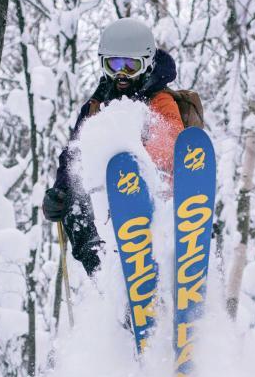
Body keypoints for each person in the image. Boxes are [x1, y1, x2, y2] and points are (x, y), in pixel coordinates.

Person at [42, 17, 184, 276]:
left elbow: (170, 142)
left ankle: (151, 267)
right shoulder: (97, 105)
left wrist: (132, 166)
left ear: (147, 64)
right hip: (108, 203)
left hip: (152, 197)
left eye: (131, 66)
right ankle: (103, 276)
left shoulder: (160, 101)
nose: (121, 74)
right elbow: (75, 152)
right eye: (114, 64)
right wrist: (60, 191)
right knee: (75, 203)